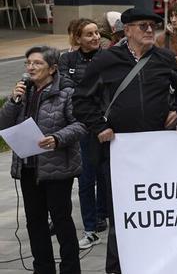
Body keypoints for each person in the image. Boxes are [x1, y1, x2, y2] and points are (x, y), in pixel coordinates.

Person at [73, 7, 177, 274]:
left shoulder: (164, 58)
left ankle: (157, 264)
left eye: (153, 26)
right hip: (119, 152)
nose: (149, 30)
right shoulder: (106, 60)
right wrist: (99, 126)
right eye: (143, 26)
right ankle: (118, 267)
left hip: (157, 150)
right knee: (122, 213)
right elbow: (81, 100)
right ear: (127, 30)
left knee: (157, 212)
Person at [3, 47, 84, 274]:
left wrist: (57, 138)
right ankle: (43, 268)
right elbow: (4, 123)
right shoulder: (23, 92)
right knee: (34, 221)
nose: (31, 67)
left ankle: (70, 268)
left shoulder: (67, 92)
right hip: (28, 167)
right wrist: (13, 100)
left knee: (61, 221)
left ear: (52, 68)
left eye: (37, 63)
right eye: (28, 63)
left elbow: (80, 125)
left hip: (57, 168)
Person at [59, 18, 108, 249]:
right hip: (82, 126)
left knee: (105, 175)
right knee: (86, 179)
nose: (96, 37)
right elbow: (67, 88)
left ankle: (102, 215)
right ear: (77, 38)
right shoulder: (67, 59)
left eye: (97, 33)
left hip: (104, 123)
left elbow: (108, 88)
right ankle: (90, 228)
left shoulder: (108, 57)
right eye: (89, 34)